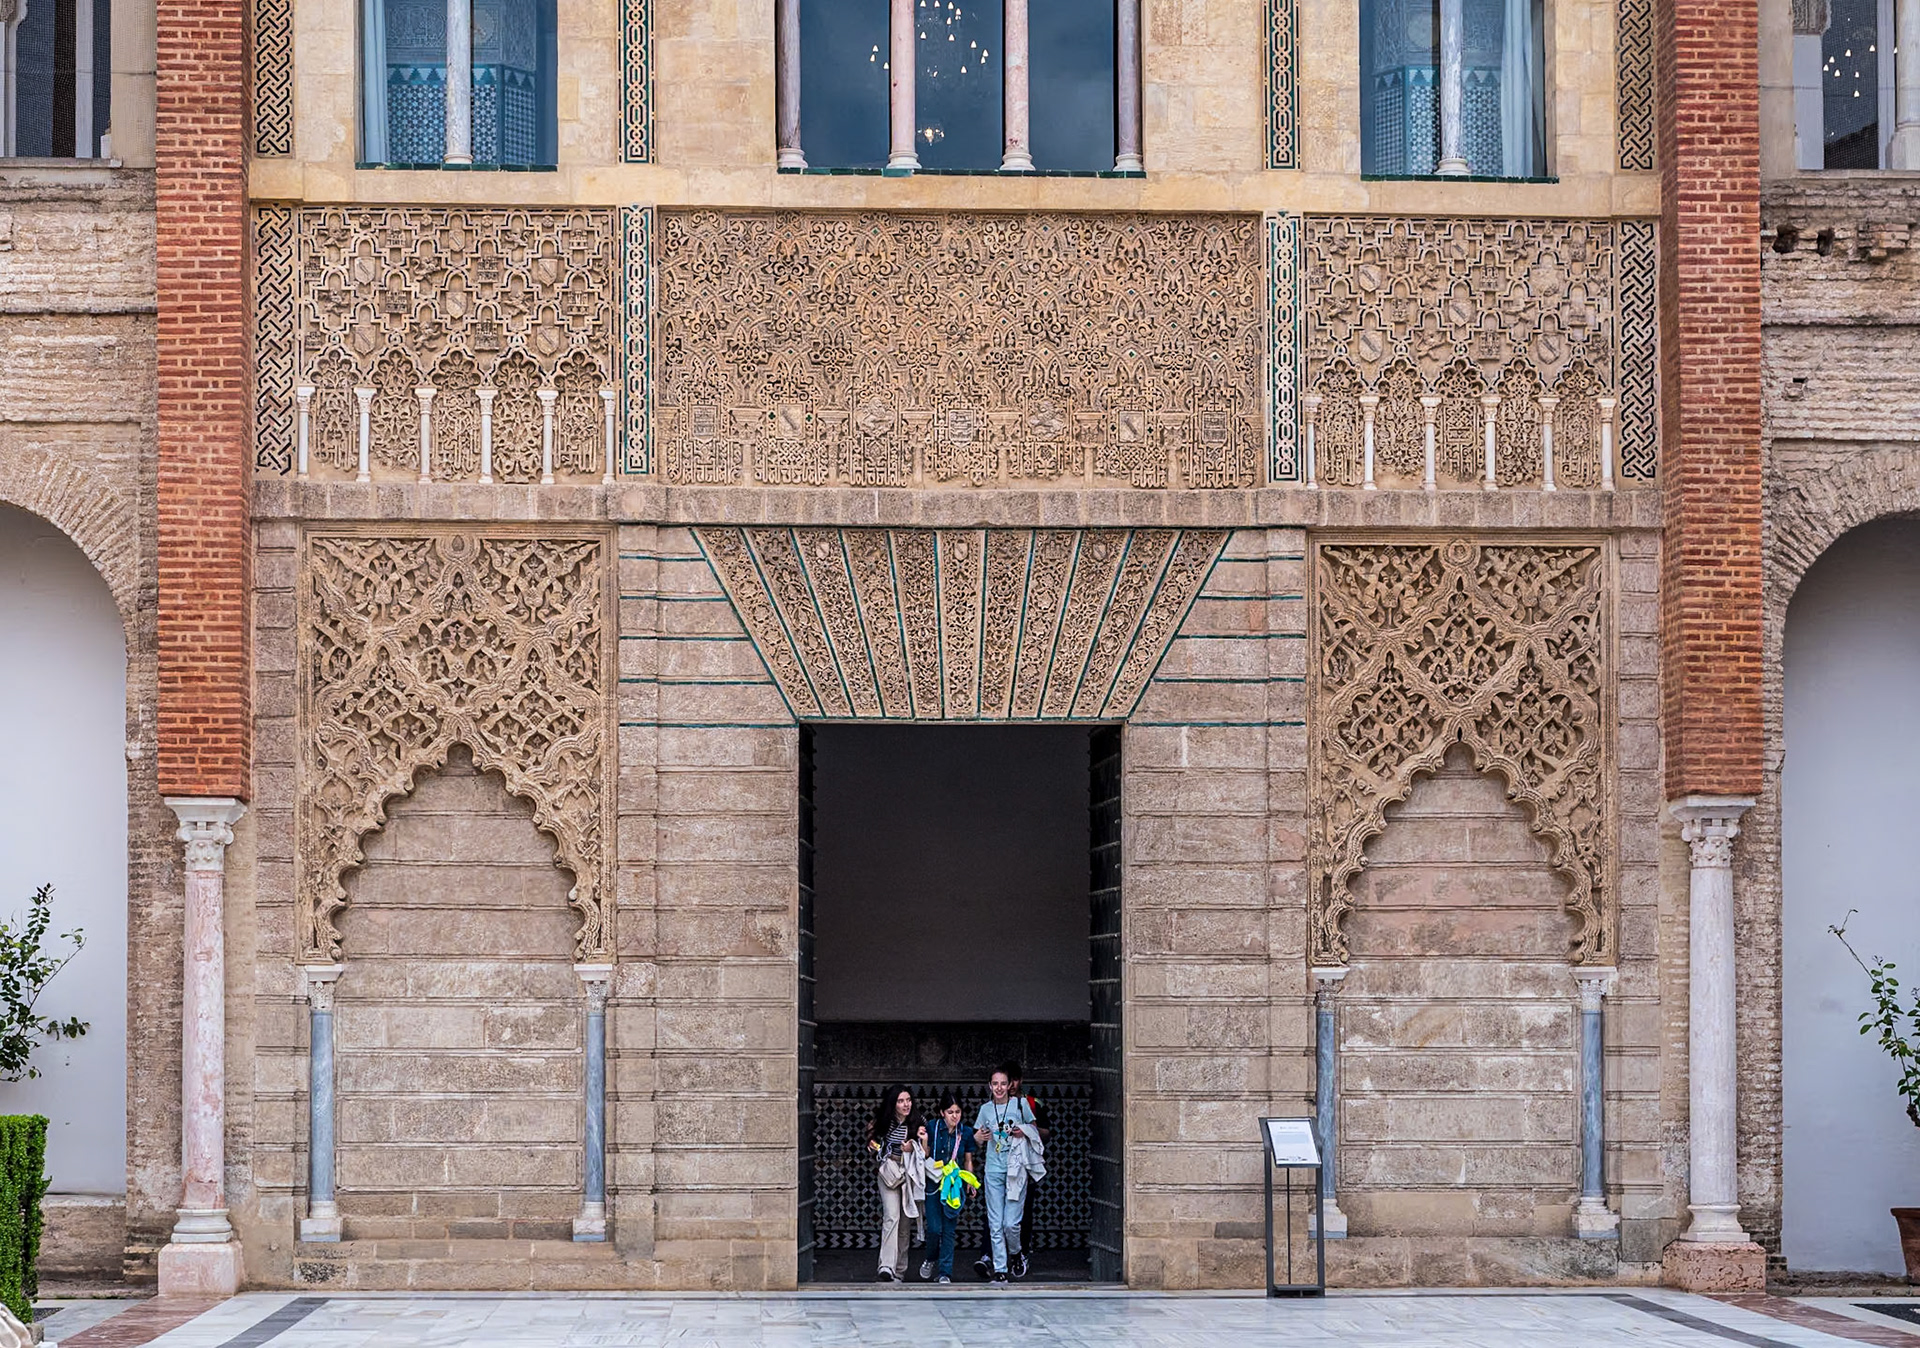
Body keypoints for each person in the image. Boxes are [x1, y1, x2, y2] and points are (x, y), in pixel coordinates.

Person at [972, 1067, 1038, 1283]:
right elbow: (977, 1139)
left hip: (1016, 1169)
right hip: (993, 1169)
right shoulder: (985, 1109)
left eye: (1003, 1083)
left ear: (1009, 1085)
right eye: (995, 1084)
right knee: (995, 1221)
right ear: (990, 1086)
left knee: (1011, 1222)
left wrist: (1023, 1131)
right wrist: (980, 1136)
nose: (999, 1088)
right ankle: (1000, 1269)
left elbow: (1034, 1129)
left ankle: (1017, 1253)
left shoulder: (1020, 1105)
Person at [865, 1084, 925, 1282]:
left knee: (905, 1223)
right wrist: (874, 1145)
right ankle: (886, 1266)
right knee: (892, 1216)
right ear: (893, 1103)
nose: (905, 1104)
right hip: (889, 1173)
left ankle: (899, 1271)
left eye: (908, 1100)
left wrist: (915, 1145)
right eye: (900, 1101)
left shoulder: (918, 1122)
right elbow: (872, 1143)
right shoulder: (883, 1122)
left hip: (909, 1175)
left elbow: (926, 1153)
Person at [917, 1093, 976, 1284]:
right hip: (934, 1182)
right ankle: (931, 1258)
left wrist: (970, 1182)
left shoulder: (965, 1132)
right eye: (950, 1112)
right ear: (942, 1112)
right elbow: (925, 1154)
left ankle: (945, 1272)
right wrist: (924, 1141)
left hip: (953, 1184)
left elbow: (967, 1159)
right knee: (934, 1228)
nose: (954, 1116)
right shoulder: (932, 1128)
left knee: (949, 1229)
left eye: (958, 1112)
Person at [1007, 1064, 1052, 1263]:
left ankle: (1021, 1253)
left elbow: (1046, 1133)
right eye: (1008, 1081)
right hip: (1002, 1165)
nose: (1011, 1085)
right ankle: (996, 1256)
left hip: (1026, 1165)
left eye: (1014, 1080)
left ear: (1021, 1080)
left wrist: (1027, 1130)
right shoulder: (993, 1105)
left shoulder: (1034, 1104)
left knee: (1024, 1210)